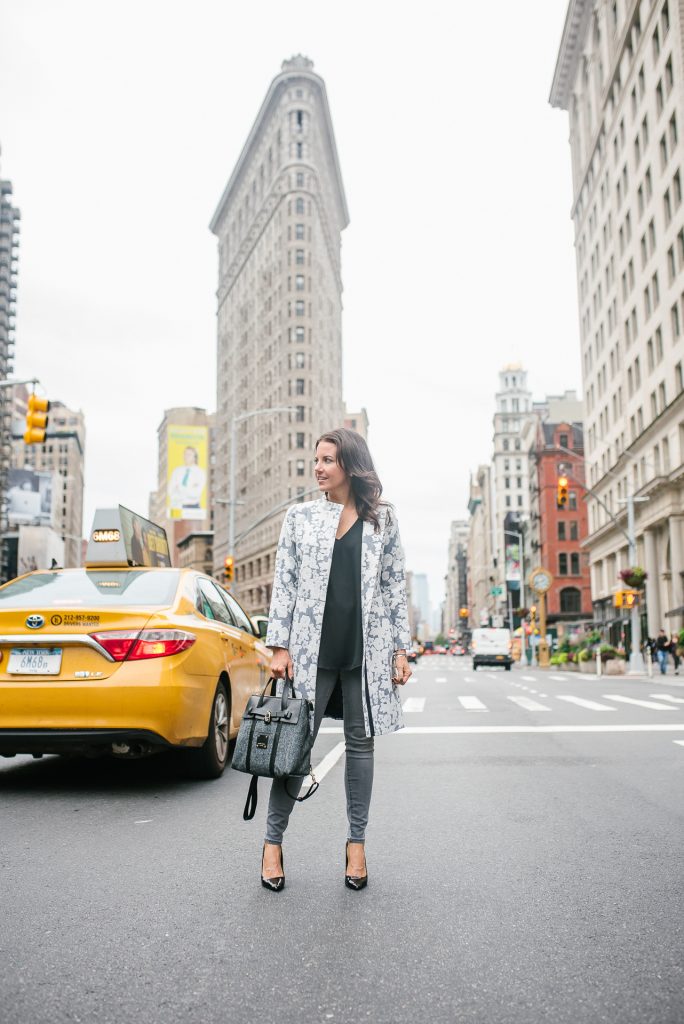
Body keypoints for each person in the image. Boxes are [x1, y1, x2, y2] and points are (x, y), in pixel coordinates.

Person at [262, 427, 412, 892]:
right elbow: (284, 583)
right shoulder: (301, 518)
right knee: (296, 746)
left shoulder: (382, 519)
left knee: (361, 747)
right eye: (317, 460)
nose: (319, 468)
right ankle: (271, 843)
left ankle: (357, 844)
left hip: (366, 649)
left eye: (328, 460)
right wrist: (279, 645)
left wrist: (400, 649)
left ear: (350, 463)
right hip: (312, 649)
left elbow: (392, 585)